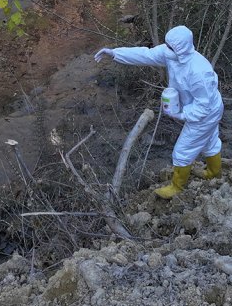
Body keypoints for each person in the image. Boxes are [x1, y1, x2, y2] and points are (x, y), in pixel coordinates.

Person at [94, 25, 223, 199]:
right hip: (202, 108)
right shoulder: (172, 54)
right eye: (167, 44)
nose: (166, 48)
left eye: (170, 46)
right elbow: (146, 55)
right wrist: (115, 53)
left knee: (182, 151)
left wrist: (182, 114)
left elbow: (203, 106)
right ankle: (214, 173)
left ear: (181, 48)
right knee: (209, 141)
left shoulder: (199, 71)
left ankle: (177, 187)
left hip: (206, 114)